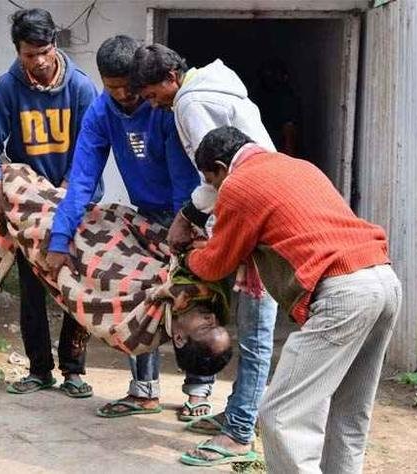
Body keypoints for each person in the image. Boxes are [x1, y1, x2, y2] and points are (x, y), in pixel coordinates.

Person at [183, 126, 401, 471]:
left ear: (223, 167)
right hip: (383, 279)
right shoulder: (297, 166)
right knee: (349, 411)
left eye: (212, 181)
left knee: (280, 414)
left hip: (343, 293)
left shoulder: (239, 185)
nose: (214, 190)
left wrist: (188, 255)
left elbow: (215, 264)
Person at [45, 35, 216, 420]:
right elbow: (83, 179)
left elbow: (180, 178)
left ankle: (199, 390)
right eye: (113, 87)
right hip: (145, 214)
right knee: (138, 295)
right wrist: (60, 238)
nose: (123, 94)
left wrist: (185, 232)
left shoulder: (164, 110)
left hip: (188, 214)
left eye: (129, 86)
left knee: (190, 299)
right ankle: (143, 391)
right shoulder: (101, 112)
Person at [130, 44, 279, 466]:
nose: (151, 103)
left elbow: (223, 176)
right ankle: (236, 414)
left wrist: (210, 237)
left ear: (170, 79)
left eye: (149, 94)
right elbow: (221, 176)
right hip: (253, 214)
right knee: (253, 335)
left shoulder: (191, 104)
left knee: (254, 338)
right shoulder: (221, 90)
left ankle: (240, 431)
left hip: (257, 223)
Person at [0, 8, 99, 398]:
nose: (39, 61)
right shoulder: (8, 88)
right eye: (29, 55)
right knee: (32, 289)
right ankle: (39, 369)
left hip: (75, 200)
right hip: (28, 208)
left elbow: (90, 150)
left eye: (44, 51)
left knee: (75, 286)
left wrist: (66, 193)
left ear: (54, 45)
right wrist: (5, 197)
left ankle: (74, 371)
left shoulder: (80, 87)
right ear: (18, 52)